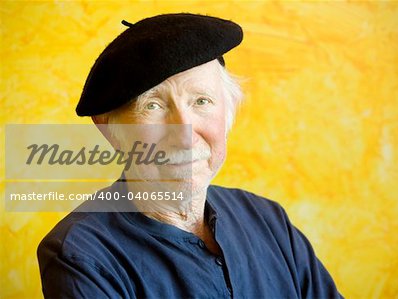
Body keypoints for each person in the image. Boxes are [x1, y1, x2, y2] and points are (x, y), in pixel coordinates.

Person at [37, 13, 343, 298]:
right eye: (153, 106)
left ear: (228, 114)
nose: (183, 132)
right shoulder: (81, 254)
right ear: (108, 129)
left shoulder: (268, 219)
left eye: (201, 101)